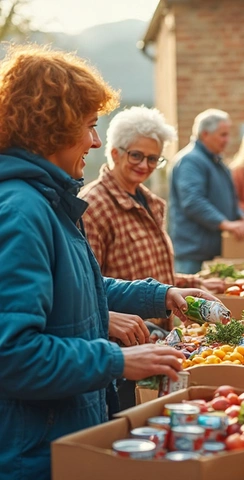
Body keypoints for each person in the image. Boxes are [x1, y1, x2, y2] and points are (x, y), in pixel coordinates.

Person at [0, 44, 216, 480]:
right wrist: (117, 362)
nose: (95, 141)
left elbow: (83, 286)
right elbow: (13, 355)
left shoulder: (47, 201)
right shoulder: (21, 212)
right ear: (51, 128)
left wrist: (161, 294)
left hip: (64, 437)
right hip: (36, 454)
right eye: (89, 127)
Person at [80, 106, 224, 333]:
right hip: (126, 343)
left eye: (153, 158)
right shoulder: (93, 206)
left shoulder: (150, 202)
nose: (144, 165)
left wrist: (194, 283)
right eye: (136, 155)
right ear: (115, 153)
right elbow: (87, 287)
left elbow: (148, 271)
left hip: (157, 337)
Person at [169, 109, 244, 274]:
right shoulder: (190, 161)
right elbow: (193, 201)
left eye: (228, 135)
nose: (227, 140)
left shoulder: (216, 161)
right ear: (205, 134)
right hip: (193, 254)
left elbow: (228, 197)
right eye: (223, 135)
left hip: (210, 251)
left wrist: (239, 215)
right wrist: (226, 223)